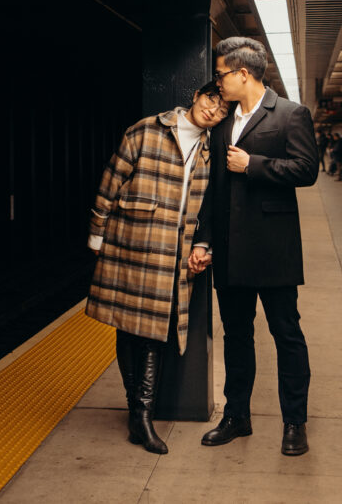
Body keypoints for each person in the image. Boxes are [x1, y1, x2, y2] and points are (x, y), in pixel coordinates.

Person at [189, 36, 319, 457]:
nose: (218, 83)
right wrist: (205, 238)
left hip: (273, 248)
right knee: (237, 336)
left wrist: (255, 165)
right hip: (229, 249)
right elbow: (213, 188)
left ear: (244, 73)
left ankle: (295, 422)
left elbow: (307, 169)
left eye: (222, 74)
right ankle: (236, 416)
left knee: (287, 335)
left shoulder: (290, 114)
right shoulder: (224, 122)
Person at [86, 81, 229, 455]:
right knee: (129, 326)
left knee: (156, 332)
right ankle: (139, 414)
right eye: (211, 100)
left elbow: (209, 204)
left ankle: (141, 416)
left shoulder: (211, 149)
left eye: (222, 109)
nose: (213, 110)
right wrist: (97, 230)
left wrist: (203, 244)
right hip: (132, 242)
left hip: (173, 252)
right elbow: (111, 179)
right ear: (197, 96)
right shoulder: (146, 129)